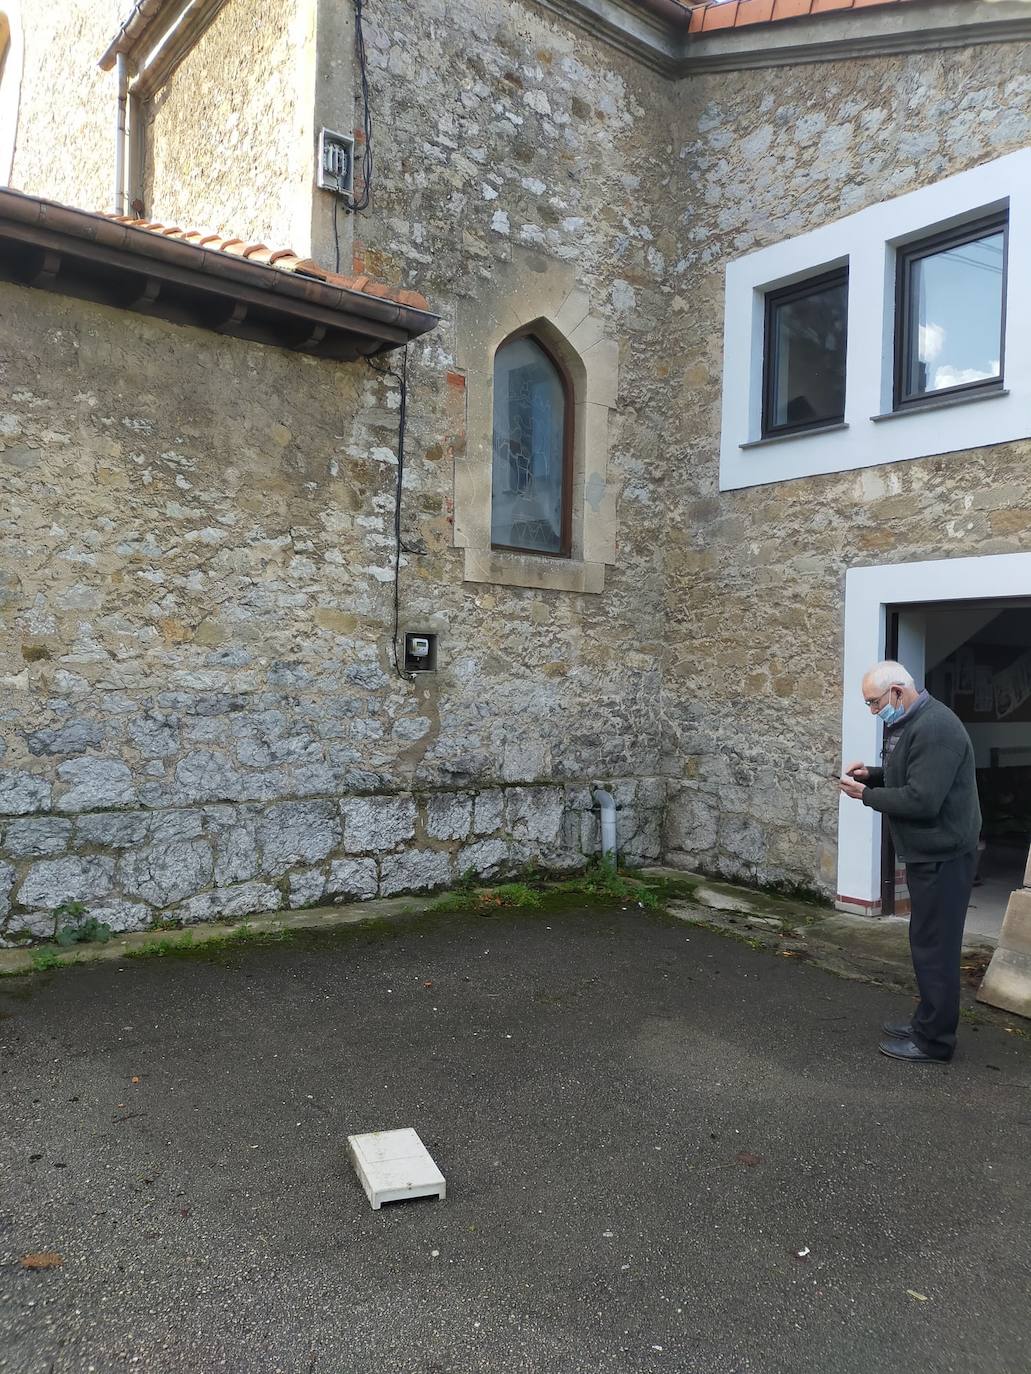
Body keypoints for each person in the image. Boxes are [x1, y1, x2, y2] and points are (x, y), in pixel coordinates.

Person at [839, 660, 981, 1064]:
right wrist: (874, 776)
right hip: (935, 853)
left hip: (944, 856)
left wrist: (863, 796)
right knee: (927, 943)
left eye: (873, 702)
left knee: (935, 948)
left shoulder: (936, 728)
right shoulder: (919, 722)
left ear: (897, 692)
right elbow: (912, 775)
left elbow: (922, 799)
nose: (872, 711)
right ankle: (926, 1023)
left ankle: (934, 1041)